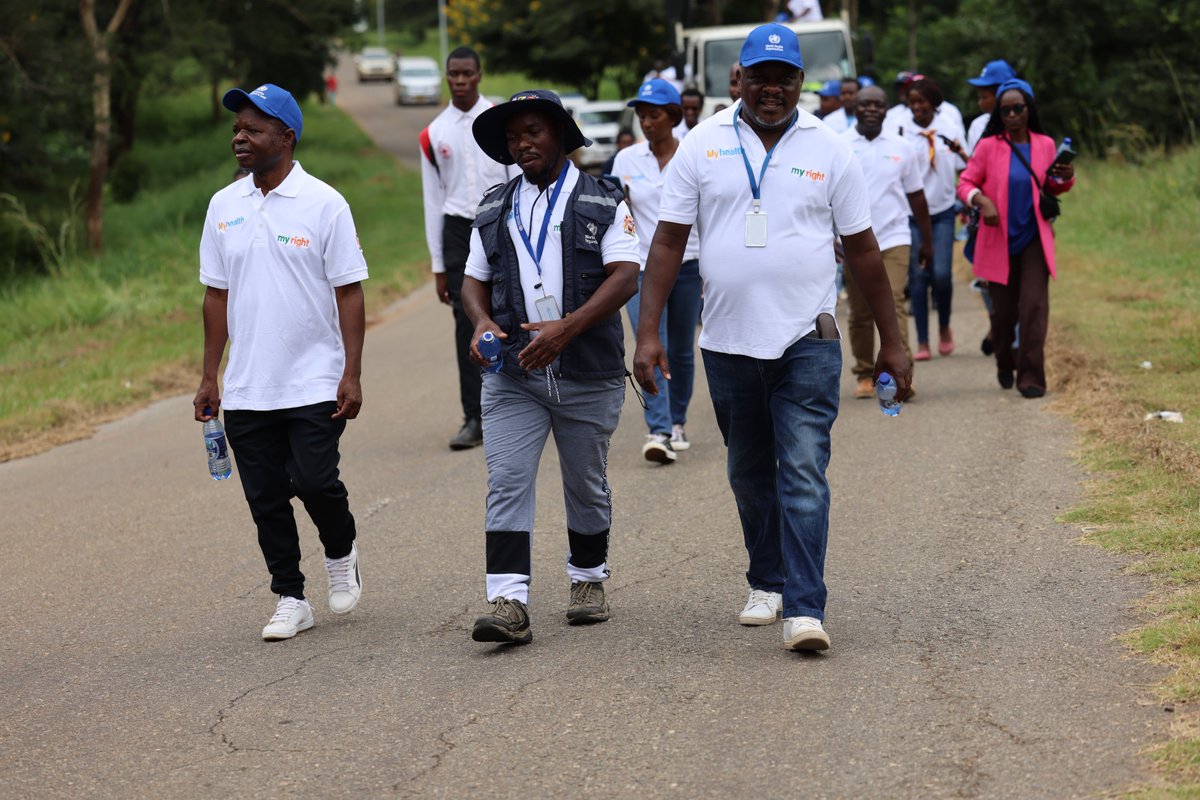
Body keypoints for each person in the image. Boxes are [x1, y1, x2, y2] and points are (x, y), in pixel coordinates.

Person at [634, 24, 910, 652]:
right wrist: (648, 332)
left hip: (806, 337)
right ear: (741, 77)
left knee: (805, 470)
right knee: (749, 472)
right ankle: (767, 578)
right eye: (761, 77)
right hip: (727, 342)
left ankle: (806, 609)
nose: (773, 90)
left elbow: (864, 249)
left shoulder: (830, 146)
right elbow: (669, 242)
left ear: (800, 82)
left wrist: (891, 342)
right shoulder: (702, 145)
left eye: (785, 79)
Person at [461, 90, 641, 644]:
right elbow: (473, 280)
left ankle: (588, 581)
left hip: (587, 370)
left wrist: (570, 326)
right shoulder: (494, 205)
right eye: (514, 136)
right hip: (515, 375)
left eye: (534, 131)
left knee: (585, 483)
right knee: (507, 481)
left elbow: (626, 275)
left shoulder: (605, 200)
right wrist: (480, 321)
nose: (522, 143)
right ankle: (509, 601)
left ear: (561, 135)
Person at [194, 84, 368, 641]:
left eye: (253, 128)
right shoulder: (224, 206)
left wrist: (352, 371)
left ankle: (340, 552)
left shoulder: (324, 203)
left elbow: (349, 291)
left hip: (314, 377)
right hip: (248, 385)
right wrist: (208, 376)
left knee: (316, 482)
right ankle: (291, 597)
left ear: (286, 138)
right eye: (237, 128)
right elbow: (216, 295)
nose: (239, 136)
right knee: (265, 497)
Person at [421, 46, 514, 451]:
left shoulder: (500, 121)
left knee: (513, 310)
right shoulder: (433, 132)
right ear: (447, 78)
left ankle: (521, 403)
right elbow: (432, 199)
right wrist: (439, 264)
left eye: (467, 74)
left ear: (479, 75)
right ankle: (474, 416)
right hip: (458, 229)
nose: (460, 81)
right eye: (453, 74)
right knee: (467, 322)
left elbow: (517, 177)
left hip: (503, 222)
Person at [958, 78, 1074, 398]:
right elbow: (965, 184)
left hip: (1035, 238)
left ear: (1029, 110)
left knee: (1033, 309)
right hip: (999, 241)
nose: (1012, 115)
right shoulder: (988, 146)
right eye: (1005, 110)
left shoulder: (1045, 144)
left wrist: (1066, 178)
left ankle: (1031, 378)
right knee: (1004, 316)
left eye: (1018, 108)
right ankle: (1003, 359)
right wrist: (982, 201)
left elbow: (1052, 186)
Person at [615, 79, 704, 460]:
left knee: (681, 350)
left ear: (673, 116)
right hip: (642, 270)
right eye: (641, 116)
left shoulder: (694, 155)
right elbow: (621, 214)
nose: (646, 123)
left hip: (689, 267)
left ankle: (678, 419)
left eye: (654, 115)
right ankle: (659, 430)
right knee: (650, 344)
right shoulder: (626, 161)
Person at [841, 85, 933, 399]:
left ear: (886, 109)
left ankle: (901, 375)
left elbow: (917, 196)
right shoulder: (839, 146)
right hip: (852, 242)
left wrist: (927, 241)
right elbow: (826, 198)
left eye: (877, 105)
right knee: (861, 310)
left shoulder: (902, 147)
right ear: (854, 105)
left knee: (893, 301)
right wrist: (831, 239)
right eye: (864, 104)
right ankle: (865, 372)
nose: (870, 109)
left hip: (894, 238)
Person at [895, 76, 968, 361]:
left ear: (934, 104)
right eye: (913, 103)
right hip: (912, 214)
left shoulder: (948, 129)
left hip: (943, 211)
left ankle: (945, 326)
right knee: (918, 276)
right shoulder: (901, 131)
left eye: (922, 102)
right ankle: (923, 341)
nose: (917, 108)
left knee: (941, 274)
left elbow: (964, 165)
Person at [966, 59, 1016, 155]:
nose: (980, 103)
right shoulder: (978, 126)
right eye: (979, 97)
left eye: (984, 97)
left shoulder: (1021, 124)